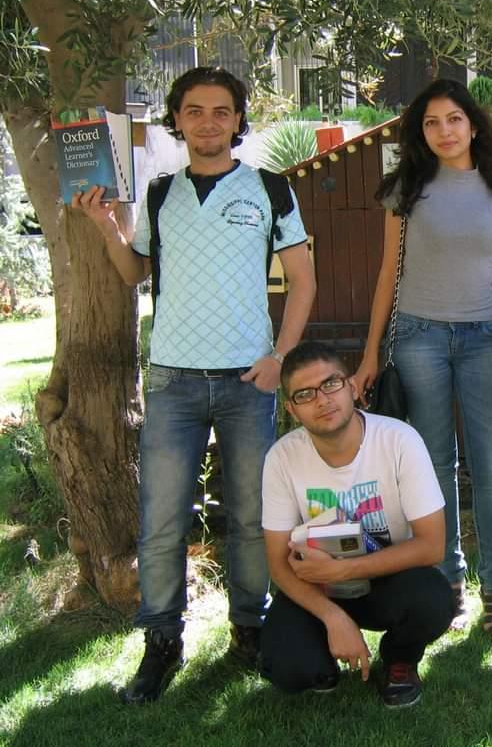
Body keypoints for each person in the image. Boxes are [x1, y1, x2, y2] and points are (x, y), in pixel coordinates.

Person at [70, 66, 317, 702]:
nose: (209, 122)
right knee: (161, 521)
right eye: (195, 111)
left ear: (238, 120)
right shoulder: (159, 194)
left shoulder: (269, 189)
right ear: (177, 120)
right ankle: (162, 641)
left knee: (252, 516)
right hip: (173, 380)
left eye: (222, 111)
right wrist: (107, 227)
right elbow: (134, 272)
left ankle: (250, 629)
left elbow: (304, 280)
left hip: (247, 382)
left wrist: (280, 357)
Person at [353, 79, 492, 637]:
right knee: (434, 465)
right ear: (419, 132)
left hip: (484, 338)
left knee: (491, 466)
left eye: (453, 119)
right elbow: (388, 273)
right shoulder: (408, 187)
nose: (444, 131)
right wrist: (370, 354)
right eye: (431, 123)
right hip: (418, 336)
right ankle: (449, 582)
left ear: (473, 124)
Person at [259, 341, 453, 707]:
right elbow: (278, 564)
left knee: (434, 599)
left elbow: (432, 546)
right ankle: (324, 661)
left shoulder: (398, 440)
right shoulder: (281, 458)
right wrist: (333, 617)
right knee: (287, 668)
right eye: (305, 394)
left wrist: (344, 570)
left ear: (351, 387)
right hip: (319, 587)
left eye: (330, 384)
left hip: (387, 580)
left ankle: (399, 659)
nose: (322, 400)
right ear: (291, 409)